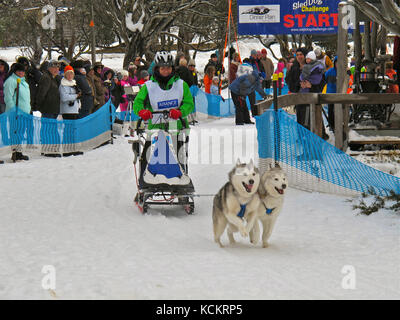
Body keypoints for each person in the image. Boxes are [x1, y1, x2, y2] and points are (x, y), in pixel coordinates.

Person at [133, 50, 194, 182]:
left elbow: (189, 103)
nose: (166, 71)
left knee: (179, 156)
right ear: (157, 69)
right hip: (155, 126)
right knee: (147, 156)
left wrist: (180, 111)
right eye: (163, 68)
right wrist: (142, 111)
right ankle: (144, 183)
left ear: (172, 68)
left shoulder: (181, 84)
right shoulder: (148, 86)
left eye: (168, 68)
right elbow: (137, 103)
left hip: (176, 126)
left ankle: (182, 183)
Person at [3, 63, 31, 161]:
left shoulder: (23, 82)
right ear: (15, 71)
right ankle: (15, 152)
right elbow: (8, 98)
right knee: (15, 132)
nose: (21, 73)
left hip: (24, 112)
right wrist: (13, 110)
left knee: (21, 133)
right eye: (19, 71)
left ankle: (19, 152)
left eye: (23, 71)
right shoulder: (11, 81)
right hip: (16, 113)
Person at [59, 65, 83, 156]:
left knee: (74, 130)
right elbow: (64, 97)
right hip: (67, 110)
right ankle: (67, 149)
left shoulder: (74, 83)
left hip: (75, 109)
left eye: (71, 74)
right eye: (68, 74)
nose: (70, 76)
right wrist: (76, 96)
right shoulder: (62, 85)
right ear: (65, 75)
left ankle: (73, 148)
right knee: (68, 130)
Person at [285, 47, 309, 128]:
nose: (299, 56)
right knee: (300, 119)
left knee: (308, 120)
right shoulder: (294, 67)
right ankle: (301, 137)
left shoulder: (311, 66)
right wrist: (297, 86)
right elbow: (289, 81)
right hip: (298, 97)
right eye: (297, 55)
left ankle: (314, 137)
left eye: (301, 54)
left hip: (310, 98)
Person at [325, 56, 338, 131]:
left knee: (338, 110)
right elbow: (324, 79)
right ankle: (331, 124)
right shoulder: (330, 71)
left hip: (340, 94)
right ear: (334, 63)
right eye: (336, 62)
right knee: (330, 110)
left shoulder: (343, 71)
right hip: (330, 93)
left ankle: (338, 123)